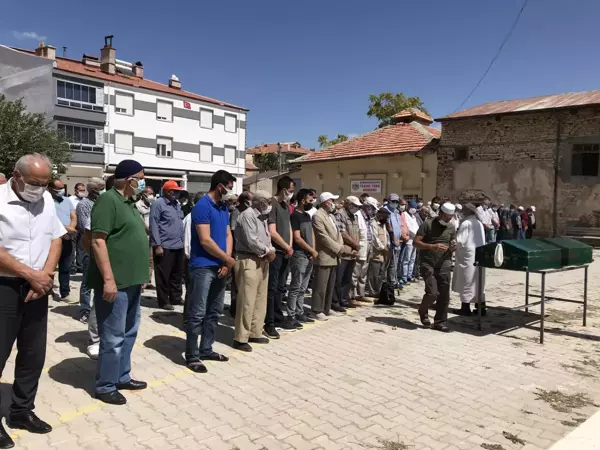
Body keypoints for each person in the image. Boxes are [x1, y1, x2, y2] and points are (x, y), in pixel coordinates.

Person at [0, 154, 65, 448]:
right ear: (16, 175)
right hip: (5, 286)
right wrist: (30, 274)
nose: (38, 189)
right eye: (33, 183)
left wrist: (45, 275)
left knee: (33, 355)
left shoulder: (47, 200)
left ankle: (21, 412)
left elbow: (56, 238)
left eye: (44, 184)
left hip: (38, 287)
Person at [87, 159, 149, 405]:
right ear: (129, 179)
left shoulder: (131, 203)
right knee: (112, 337)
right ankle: (105, 386)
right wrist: (109, 280)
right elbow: (97, 241)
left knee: (129, 332)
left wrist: (142, 276)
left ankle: (122, 375)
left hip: (133, 281)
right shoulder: (108, 200)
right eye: (141, 177)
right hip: (115, 284)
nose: (143, 182)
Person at [186, 170, 236, 373]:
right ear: (220, 186)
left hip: (221, 265)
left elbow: (227, 234)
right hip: (203, 266)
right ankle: (192, 355)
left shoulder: (223, 207)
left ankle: (206, 348)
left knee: (214, 311)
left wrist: (226, 261)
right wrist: (227, 259)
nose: (231, 193)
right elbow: (205, 240)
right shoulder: (202, 207)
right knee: (197, 313)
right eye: (229, 188)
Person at [232, 190, 275, 352]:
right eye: (267, 201)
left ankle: (255, 332)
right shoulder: (247, 216)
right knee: (247, 300)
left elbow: (266, 237)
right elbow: (251, 240)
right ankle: (240, 337)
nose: (269, 204)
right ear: (260, 201)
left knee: (260, 298)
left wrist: (270, 250)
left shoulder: (261, 217)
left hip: (262, 259)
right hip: (248, 259)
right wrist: (268, 251)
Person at [414, 202, 457, 332]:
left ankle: (440, 322)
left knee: (444, 295)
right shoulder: (427, 224)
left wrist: (453, 247)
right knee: (433, 293)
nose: (448, 219)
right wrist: (431, 246)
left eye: (451, 217)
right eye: (446, 217)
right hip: (428, 263)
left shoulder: (451, 227)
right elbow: (415, 242)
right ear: (440, 213)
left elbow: (452, 243)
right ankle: (423, 311)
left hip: (444, 263)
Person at [264, 176, 296, 338]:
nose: (291, 194)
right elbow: (272, 231)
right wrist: (285, 246)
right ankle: (268, 322)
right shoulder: (273, 204)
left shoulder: (285, 205)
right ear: (283, 189)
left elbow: (288, 227)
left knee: (281, 288)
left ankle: (277, 316)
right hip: (275, 252)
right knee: (272, 288)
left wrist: (289, 246)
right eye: (290, 191)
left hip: (285, 252)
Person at [312, 192, 348, 320]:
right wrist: (338, 248)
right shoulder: (318, 216)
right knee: (320, 285)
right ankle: (317, 309)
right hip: (325, 254)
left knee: (330, 285)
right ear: (326, 201)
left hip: (334, 255)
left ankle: (327, 308)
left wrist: (341, 245)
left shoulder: (331, 216)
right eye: (332, 200)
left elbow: (338, 234)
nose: (333, 203)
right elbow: (322, 236)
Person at [150, 180, 185, 311]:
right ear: (169, 192)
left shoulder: (176, 204)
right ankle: (163, 301)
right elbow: (154, 225)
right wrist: (157, 245)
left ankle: (176, 297)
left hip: (178, 245)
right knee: (163, 275)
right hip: (164, 246)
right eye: (177, 191)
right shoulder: (158, 204)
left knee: (177, 274)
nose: (178, 194)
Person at [76, 177, 105, 324]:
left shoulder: (102, 203)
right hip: (88, 248)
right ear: (94, 190)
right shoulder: (84, 204)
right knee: (87, 281)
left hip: (101, 247)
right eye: (101, 188)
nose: (104, 191)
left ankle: (97, 310)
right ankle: (85, 311)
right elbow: (83, 227)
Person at [287, 189, 317, 326]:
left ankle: (300, 312)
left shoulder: (307, 216)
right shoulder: (295, 216)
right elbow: (297, 238)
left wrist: (313, 250)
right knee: (296, 286)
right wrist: (310, 250)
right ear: (302, 200)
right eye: (310, 200)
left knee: (303, 287)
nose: (312, 202)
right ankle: (291, 315)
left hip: (309, 255)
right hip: (299, 255)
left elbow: (312, 235)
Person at [453, 203, 486, 316]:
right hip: (479, 255)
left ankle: (465, 308)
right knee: (478, 282)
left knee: (467, 281)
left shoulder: (466, 223)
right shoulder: (479, 223)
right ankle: (481, 307)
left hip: (467, 257)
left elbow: (460, 241)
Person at [183, 191, 209, 327]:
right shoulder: (190, 217)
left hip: (200, 260)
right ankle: (188, 320)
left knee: (198, 293)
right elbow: (188, 241)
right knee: (192, 292)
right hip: (192, 260)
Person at [49, 178, 77, 302]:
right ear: (50, 189)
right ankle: (47, 291)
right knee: (50, 265)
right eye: (57, 189)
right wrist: (64, 229)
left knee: (65, 266)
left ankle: (65, 293)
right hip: (53, 238)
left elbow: (73, 216)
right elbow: (51, 218)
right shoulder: (46, 201)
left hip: (67, 237)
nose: (60, 191)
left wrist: (71, 228)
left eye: (62, 189)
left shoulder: (67, 200)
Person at [333, 196, 363, 311]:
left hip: (352, 252)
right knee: (338, 279)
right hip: (344, 251)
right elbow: (343, 233)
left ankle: (344, 300)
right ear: (348, 204)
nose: (356, 208)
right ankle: (336, 302)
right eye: (355, 206)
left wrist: (356, 246)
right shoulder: (340, 214)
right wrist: (355, 245)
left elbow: (357, 233)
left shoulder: (354, 217)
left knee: (347, 279)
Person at [228, 190, 252, 319]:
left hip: (246, 251)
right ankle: (234, 308)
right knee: (236, 283)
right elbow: (233, 232)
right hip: (237, 250)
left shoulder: (248, 213)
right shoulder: (236, 213)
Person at [353, 196, 375, 302]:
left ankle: (361, 294)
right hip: (360, 246)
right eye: (371, 207)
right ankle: (352, 295)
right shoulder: (357, 215)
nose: (373, 210)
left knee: (363, 273)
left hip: (368, 246)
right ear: (366, 206)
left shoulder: (369, 217)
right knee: (356, 272)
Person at [366, 206, 390, 299]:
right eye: (385, 216)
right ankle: (371, 291)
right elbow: (375, 238)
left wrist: (387, 247)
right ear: (379, 215)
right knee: (373, 274)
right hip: (376, 252)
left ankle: (377, 290)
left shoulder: (383, 225)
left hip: (384, 252)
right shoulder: (373, 223)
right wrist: (382, 248)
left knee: (381, 273)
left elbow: (386, 236)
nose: (386, 219)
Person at [136, 185, 156, 289]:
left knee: (151, 260)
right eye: (149, 194)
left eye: (152, 193)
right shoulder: (138, 205)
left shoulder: (154, 204)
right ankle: (140, 281)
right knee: (143, 259)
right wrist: (149, 229)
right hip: (143, 236)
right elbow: (140, 221)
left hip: (152, 237)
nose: (151, 196)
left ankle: (147, 280)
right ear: (143, 195)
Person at [69, 182, 87, 275]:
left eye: (84, 190)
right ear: (76, 190)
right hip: (72, 225)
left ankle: (80, 266)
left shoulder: (85, 200)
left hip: (82, 225)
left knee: (81, 247)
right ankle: (72, 266)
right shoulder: (70, 200)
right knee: (72, 246)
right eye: (81, 190)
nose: (82, 192)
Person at [400, 201, 419, 284]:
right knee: (406, 259)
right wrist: (416, 235)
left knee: (412, 259)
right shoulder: (405, 215)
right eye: (412, 207)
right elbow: (408, 228)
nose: (414, 209)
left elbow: (417, 227)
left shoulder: (414, 217)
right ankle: (404, 277)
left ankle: (409, 275)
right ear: (408, 207)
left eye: (415, 208)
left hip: (415, 241)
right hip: (409, 240)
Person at [412, 206, 430, 280]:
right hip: (416, 240)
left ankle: (418, 272)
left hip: (422, 241)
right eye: (425, 212)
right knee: (415, 259)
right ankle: (415, 274)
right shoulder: (416, 218)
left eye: (427, 213)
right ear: (421, 211)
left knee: (419, 258)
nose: (426, 214)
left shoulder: (425, 219)